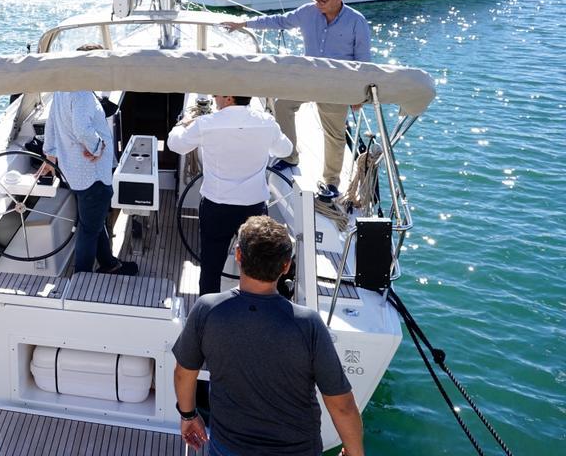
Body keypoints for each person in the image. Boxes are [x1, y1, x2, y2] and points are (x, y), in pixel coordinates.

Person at [173, 216, 365, 456]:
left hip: (228, 449)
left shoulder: (207, 309)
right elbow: (342, 406)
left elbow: (183, 374)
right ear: (286, 266)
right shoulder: (308, 324)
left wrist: (189, 416)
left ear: (238, 255)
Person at [223, 0, 371, 195]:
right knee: (283, 104)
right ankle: (290, 156)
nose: (317, 4)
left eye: (322, 1)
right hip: (308, 77)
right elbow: (280, 21)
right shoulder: (308, 11)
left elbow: (363, 61)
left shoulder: (357, 22)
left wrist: (359, 95)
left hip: (336, 86)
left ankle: (331, 182)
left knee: (334, 134)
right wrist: (244, 24)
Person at [166, 94, 291, 296]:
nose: (214, 96)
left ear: (228, 96)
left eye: (217, 91)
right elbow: (286, 150)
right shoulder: (266, 122)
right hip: (254, 210)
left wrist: (182, 124)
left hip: (217, 207)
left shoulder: (206, 123)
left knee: (210, 269)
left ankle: (209, 314)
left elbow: (175, 144)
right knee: (259, 268)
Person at [42, 46, 137, 276]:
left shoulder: (62, 90)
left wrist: (50, 154)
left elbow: (52, 124)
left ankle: (109, 263)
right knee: (87, 230)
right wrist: (98, 147)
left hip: (74, 172)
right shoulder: (82, 93)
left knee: (92, 222)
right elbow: (82, 129)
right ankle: (81, 279)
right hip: (92, 173)